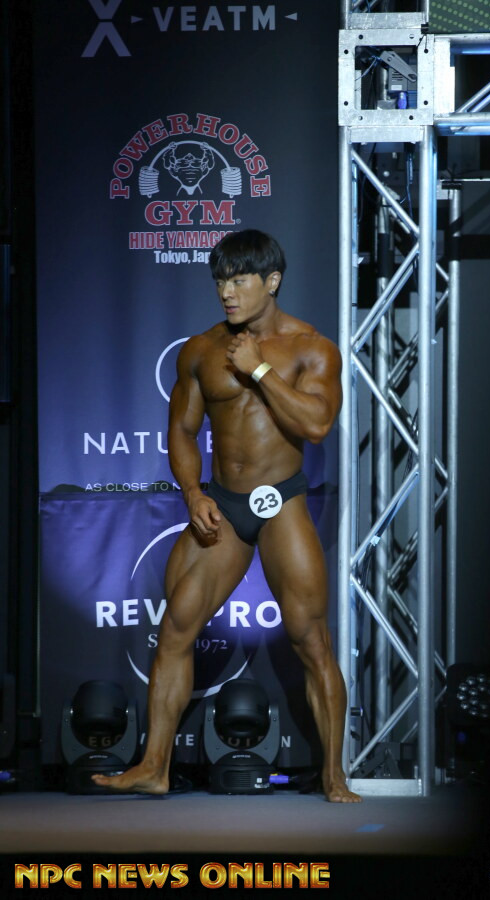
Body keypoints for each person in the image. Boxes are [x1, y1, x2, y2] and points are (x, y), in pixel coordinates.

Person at [92, 229, 360, 802]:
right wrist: (193, 494)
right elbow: (182, 430)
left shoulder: (313, 348)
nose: (227, 293)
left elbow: (316, 425)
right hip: (223, 504)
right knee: (175, 628)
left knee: (311, 640)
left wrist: (259, 370)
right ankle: (154, 767)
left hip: (281, 501)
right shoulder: (201, 349)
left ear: (272, 281)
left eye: (239, 280)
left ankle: (334, 776)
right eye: (220, 281)